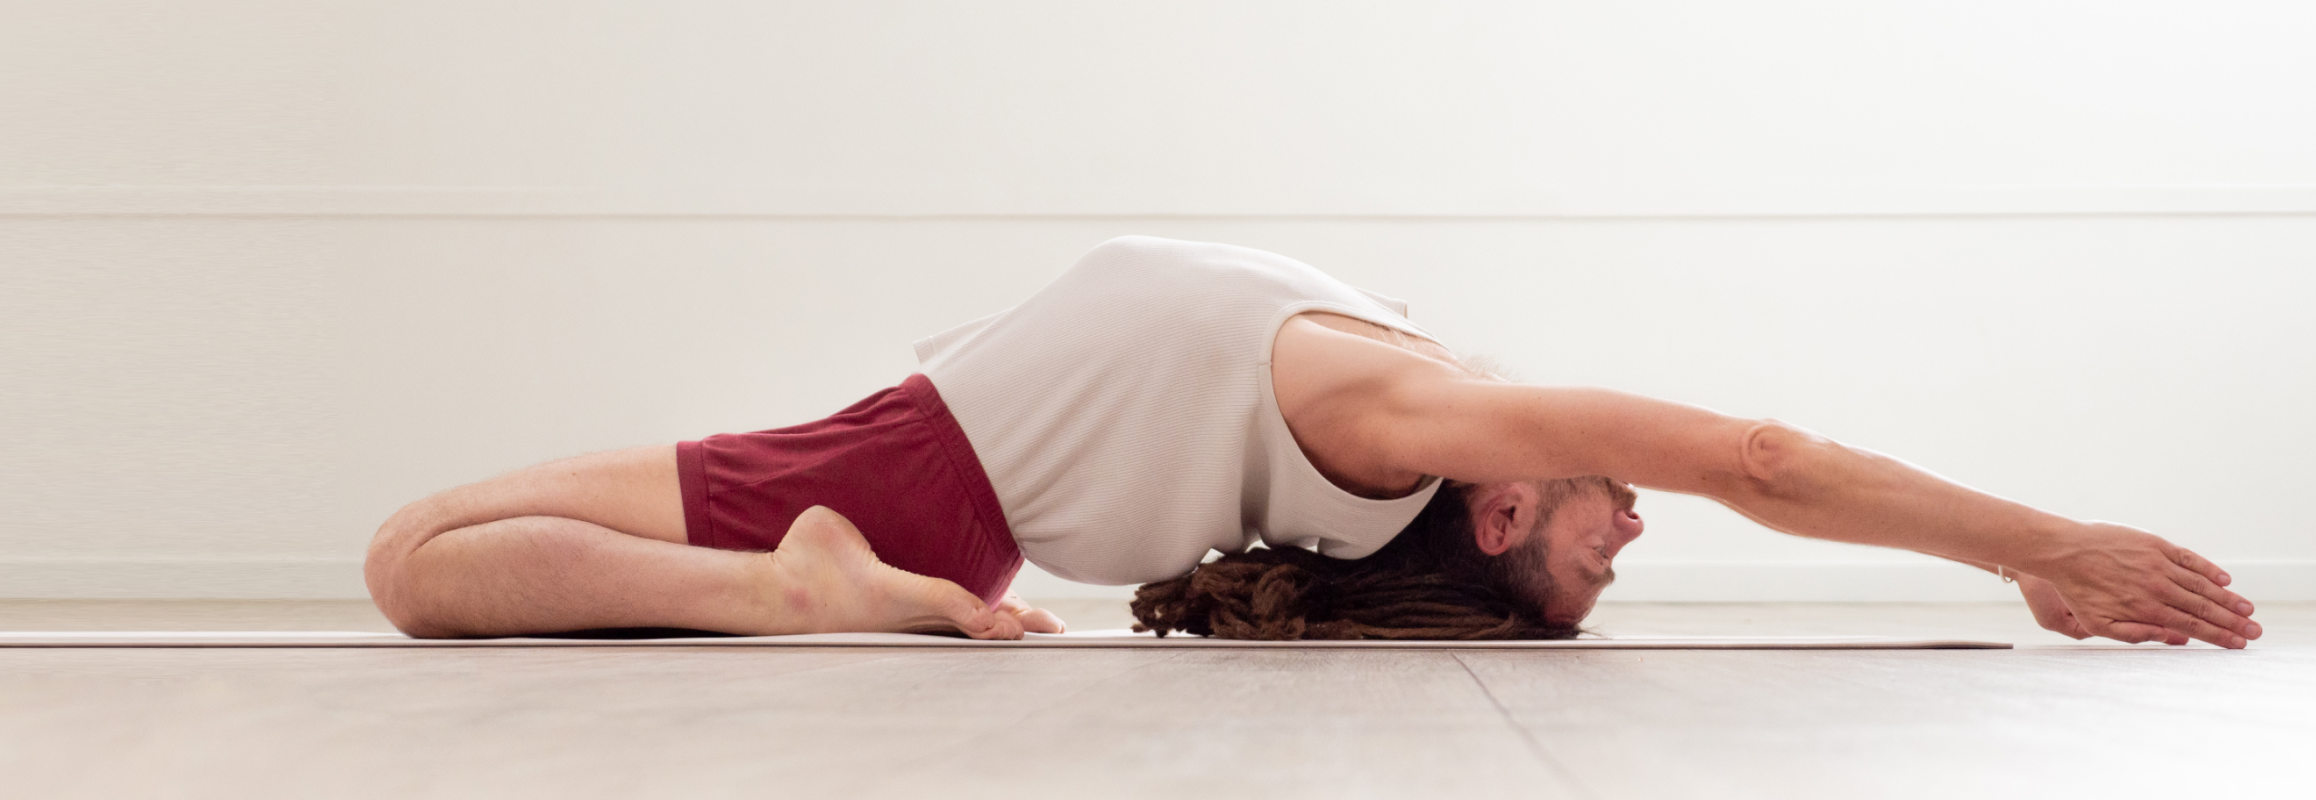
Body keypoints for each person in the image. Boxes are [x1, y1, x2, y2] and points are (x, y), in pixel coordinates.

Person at [362, 236, 2262, 647]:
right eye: (1621, 531)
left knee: (413, 559)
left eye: (1598, 534)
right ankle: (836, 592)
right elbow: (1742, 459)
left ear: (1497, 509)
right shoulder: (1384, 420)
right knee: (427, 564)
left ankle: (807, 597)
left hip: (896, 482)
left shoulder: (1408, 420)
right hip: (939, 489)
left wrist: (2042, 547)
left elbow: (1752, 454)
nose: (1640, 518)